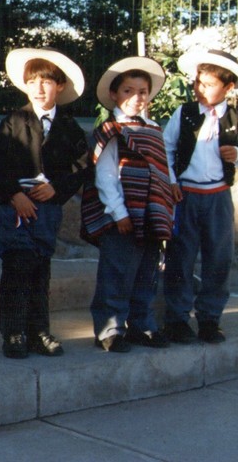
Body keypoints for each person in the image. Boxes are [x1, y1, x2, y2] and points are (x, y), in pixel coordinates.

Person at [0, 47, 88, 359]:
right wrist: (14, 195)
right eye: (33, 82)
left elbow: (80, 167)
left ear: (59, 86)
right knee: (17, 266)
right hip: (16, 206)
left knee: (40, 268)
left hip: (47, 208)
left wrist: (56, 189)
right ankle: (14, 331)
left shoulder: (69, 129)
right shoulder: (13, 121)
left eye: (46, 82)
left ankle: (38, 330)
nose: (39, 88)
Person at [81, 56, 173, 353]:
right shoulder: (111, 130)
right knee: (117, 272)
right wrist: (118, 212)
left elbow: (161, 169)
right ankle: (110, 329)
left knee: (147, 271)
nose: (136, 97)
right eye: (128, 91)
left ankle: (141, 325)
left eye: (142, 91)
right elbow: (106, 175)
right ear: (114, 94)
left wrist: (167, 194)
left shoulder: (154, 129)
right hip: (121, 214)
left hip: (150, 214)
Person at [163, 49, 238, 345]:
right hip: (186, 195)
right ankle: (177, 318)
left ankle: (209, 318)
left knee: (218, 258)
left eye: (208, 84)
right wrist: (171, 181)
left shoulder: (234, 118)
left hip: (218, 197)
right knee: (180, 257)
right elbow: (166, 149)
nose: (200, 89)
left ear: (228, 87)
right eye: (198, 83)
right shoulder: (184, 113)